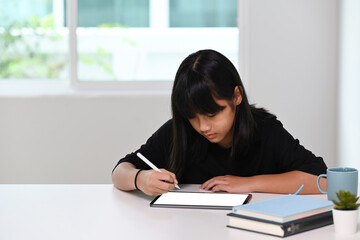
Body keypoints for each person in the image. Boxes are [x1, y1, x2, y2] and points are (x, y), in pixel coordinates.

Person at [112, 49, 327, 196]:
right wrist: (140, 178)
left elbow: (322, 180)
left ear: (236, 96)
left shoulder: (265, 130)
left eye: (212, 114)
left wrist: (249, 183)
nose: (203, 127)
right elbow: (120, 170)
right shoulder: (181, 131)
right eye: (192, 116)